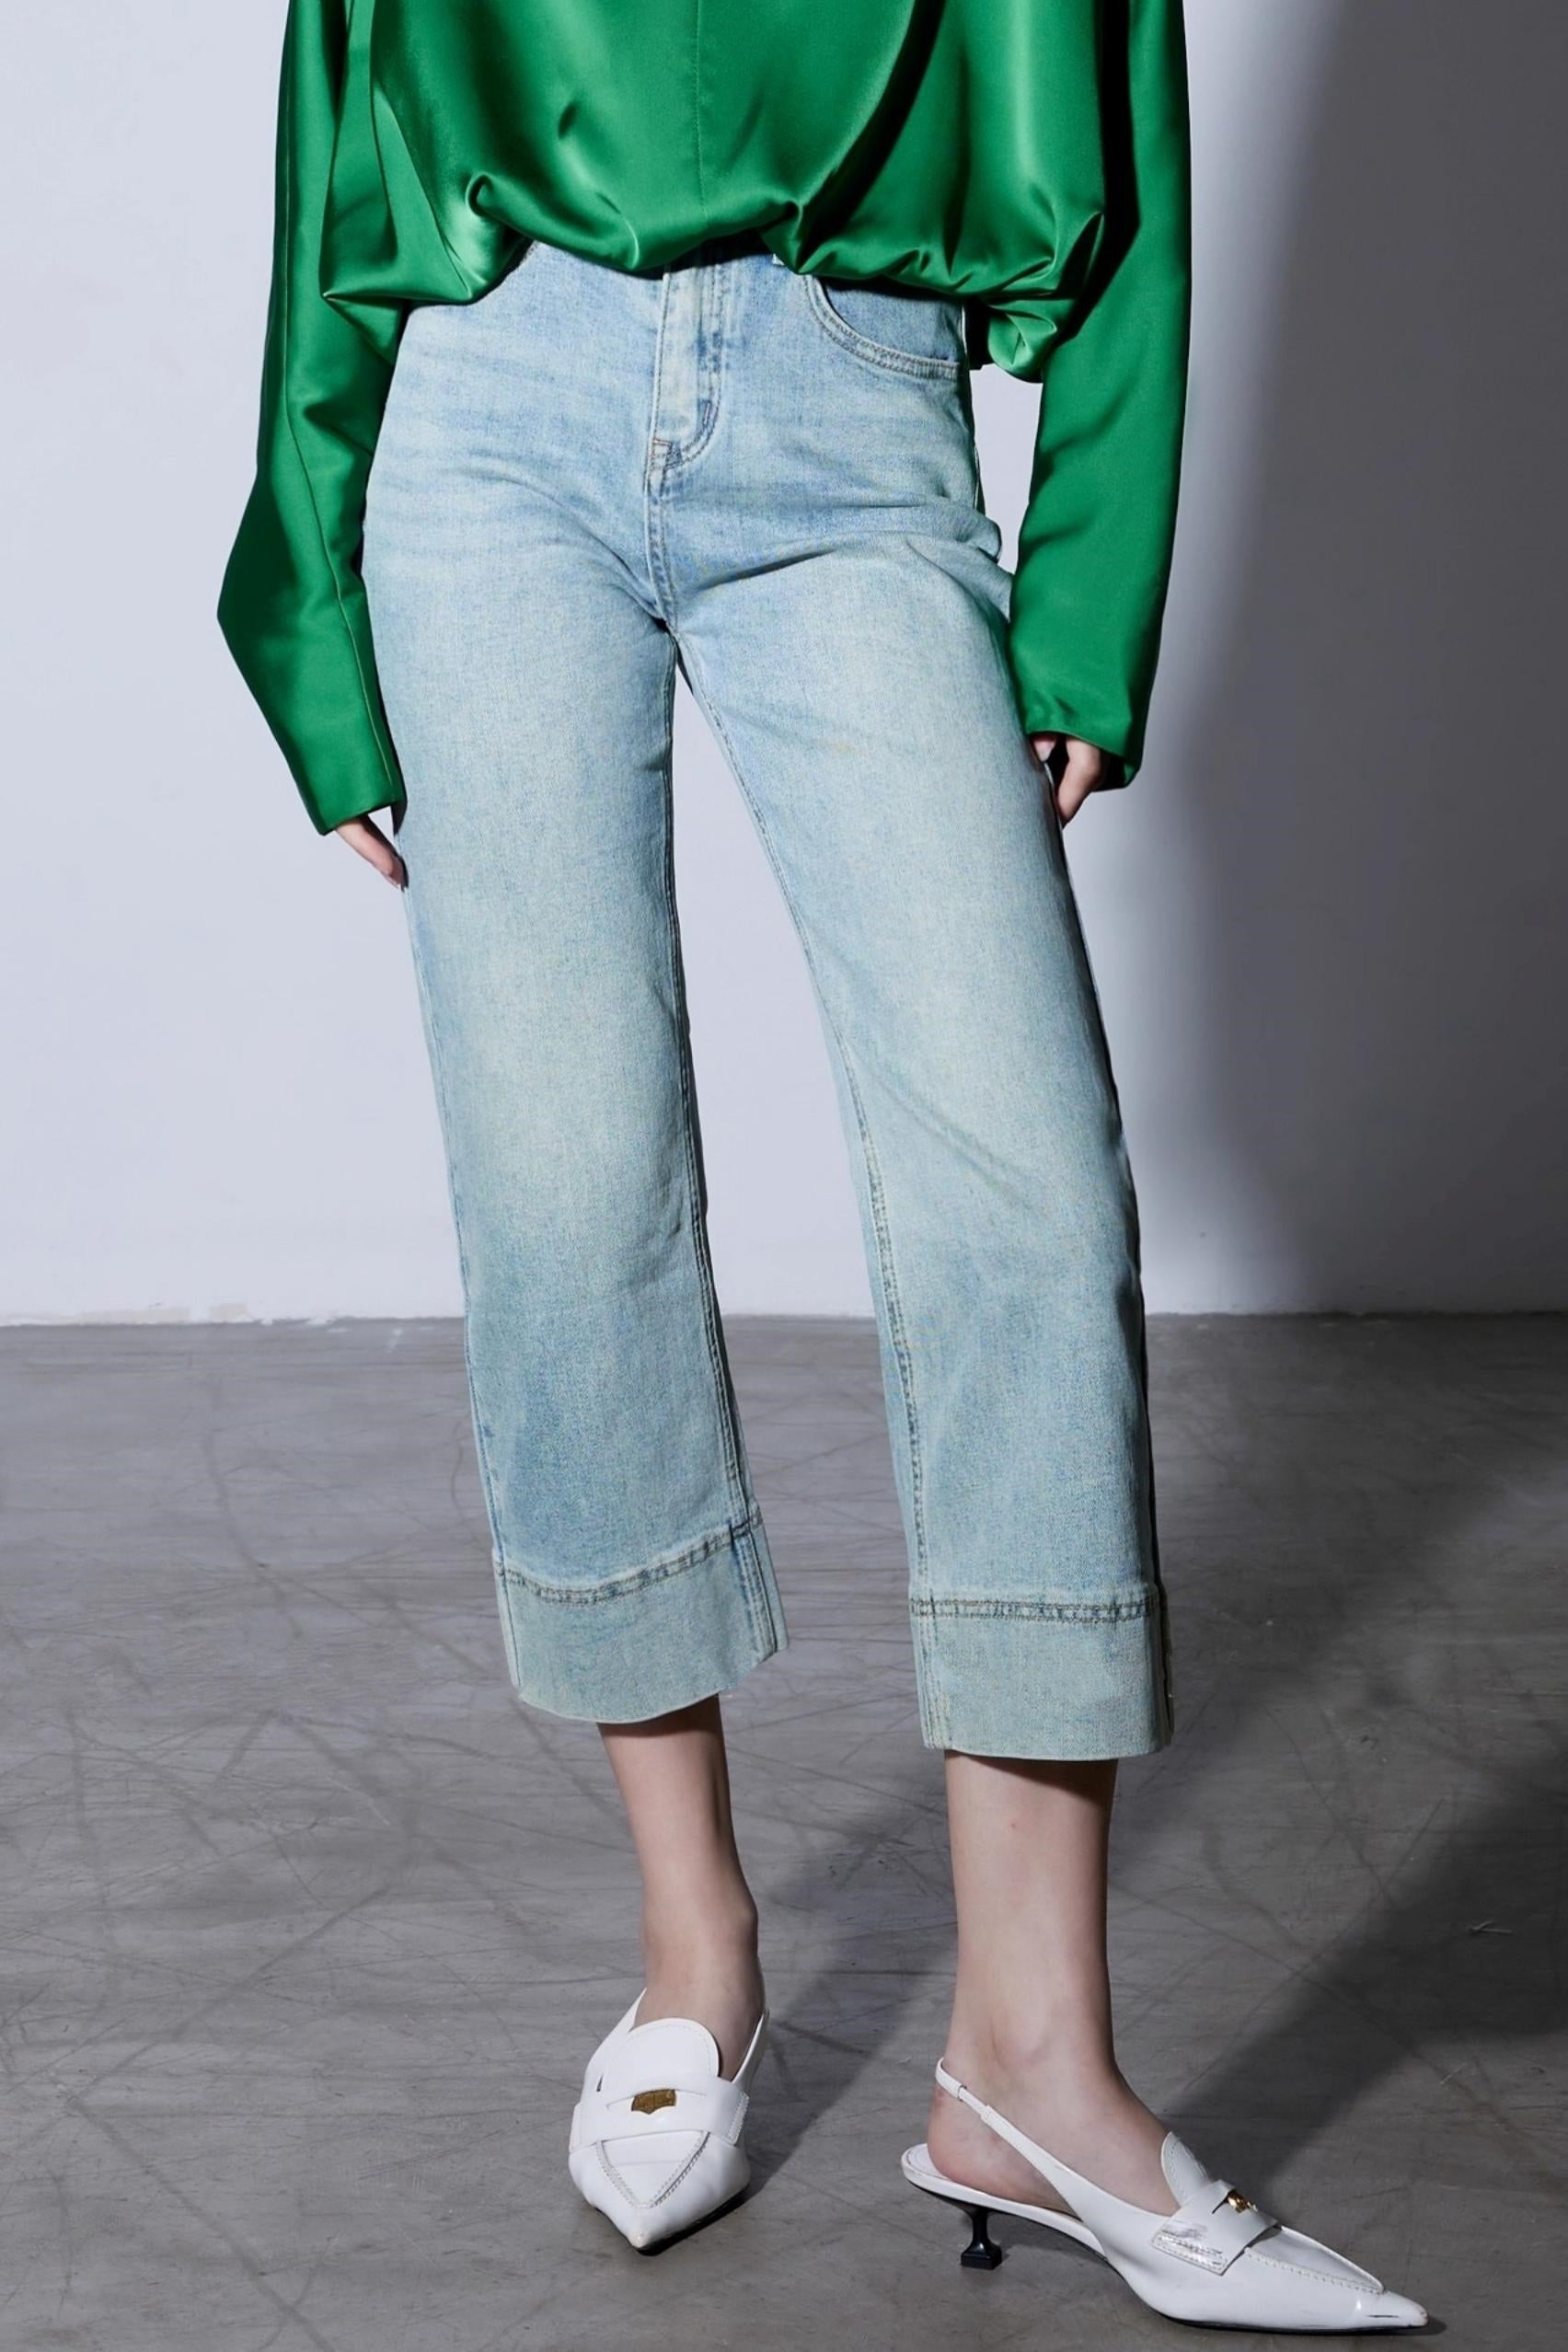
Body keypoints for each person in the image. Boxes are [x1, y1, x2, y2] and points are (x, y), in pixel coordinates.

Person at [217, 1, 1424, 2328]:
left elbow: (1118, 68)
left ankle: (1032, 2064)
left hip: (857, 398)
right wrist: (306, 573)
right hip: (492, 389)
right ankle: (695, 1947)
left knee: (1029, 1203)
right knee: (571, 1188)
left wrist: (1090, 574)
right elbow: (346, 49)